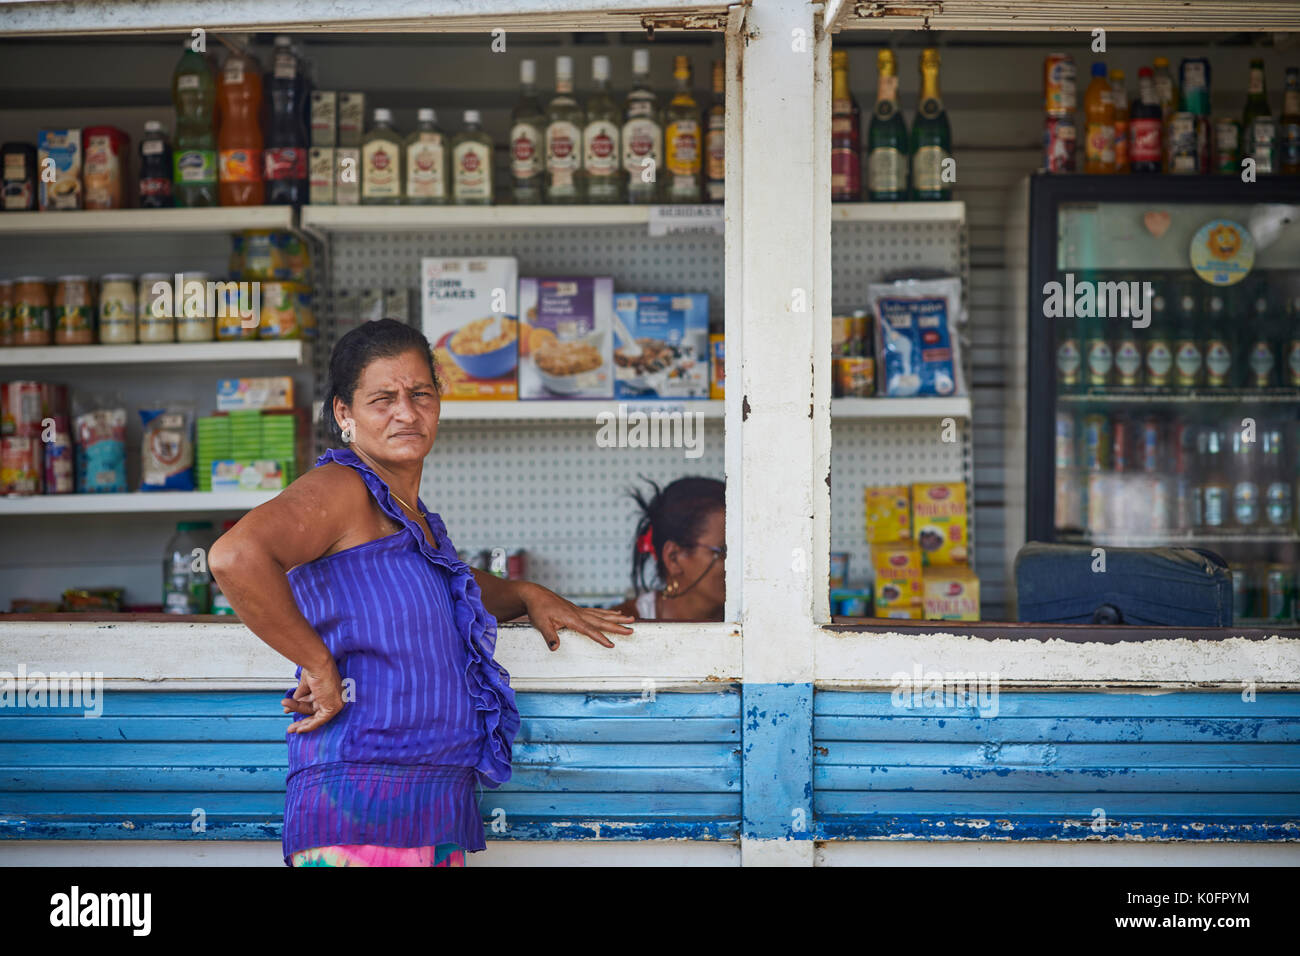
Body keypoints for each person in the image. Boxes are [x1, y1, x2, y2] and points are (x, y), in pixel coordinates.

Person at [209, 319, 633, 867]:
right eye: (382, 399)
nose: (406, 413)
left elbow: (444, 585)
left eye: (420, 394)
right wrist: (317, 664)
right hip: (362, 797)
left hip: (428, 802)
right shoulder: (344, 487)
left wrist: (525, 592)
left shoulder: (410, 516)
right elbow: (234, 557)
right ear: (344, 414)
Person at [612, 476, 725, 622]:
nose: (742, 564)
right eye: (724, 551)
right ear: (674, 558)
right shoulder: (620, 627)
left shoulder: (754, 624)